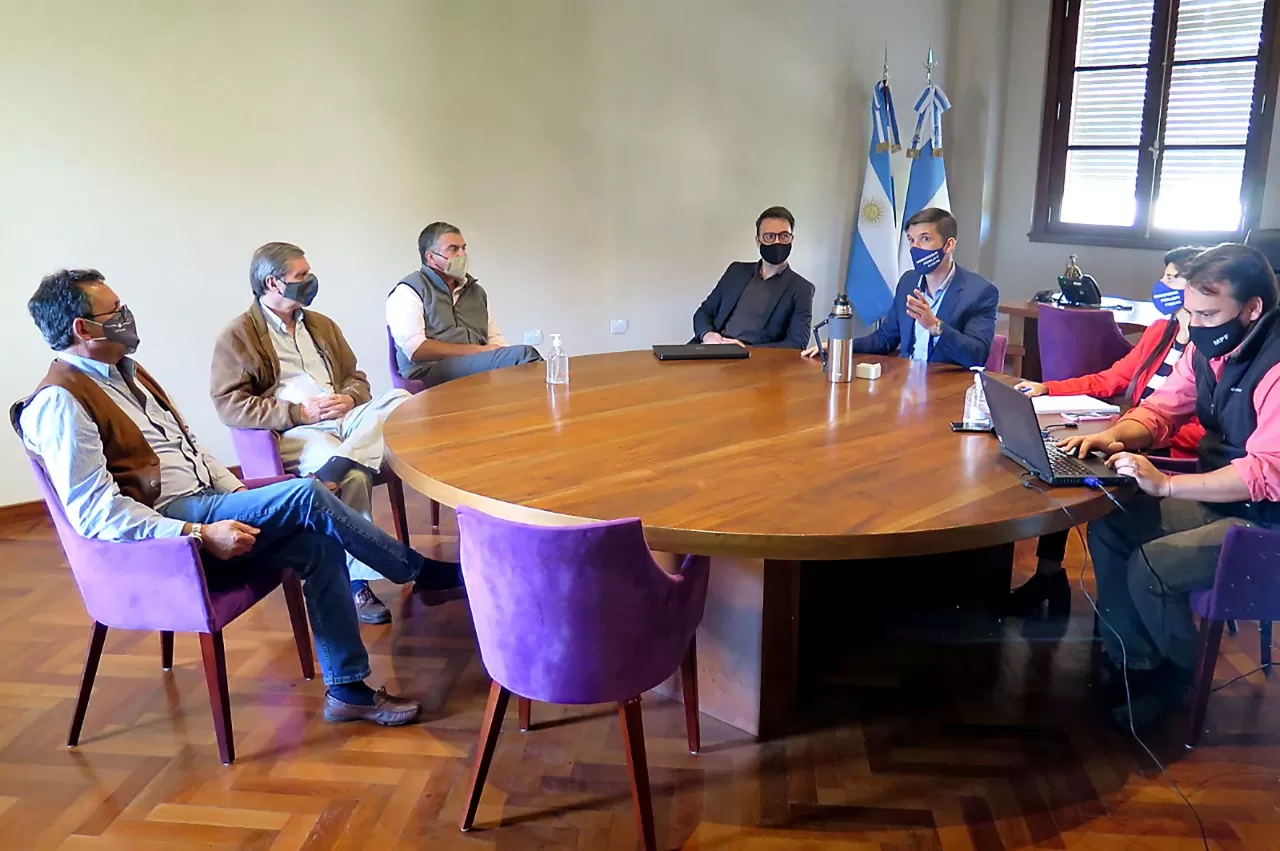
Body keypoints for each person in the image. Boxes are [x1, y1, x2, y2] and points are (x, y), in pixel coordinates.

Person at [16, 270, 466, 725]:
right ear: (83, 328)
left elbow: (192, 450)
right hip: (175, 528)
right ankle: (420, 573)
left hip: (209, 501)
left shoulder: (129, 375)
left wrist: (243, 498)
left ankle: (348, 689)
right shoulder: (60, 403)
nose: (126, 316)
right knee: (307, 494)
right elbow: (94, 513)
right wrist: (196, 532)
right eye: (114, 311)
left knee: (318, 544)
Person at [1059, 243, 1280, 728]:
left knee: (1152, 567)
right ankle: (1136, 661)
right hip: (1227, 499)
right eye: (1189, 312)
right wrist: (1113, 435)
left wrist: (1168, 487)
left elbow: (1265, 474)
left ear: (1253, 309)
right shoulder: (1208, 348)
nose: (1195, 325)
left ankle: (1176, 680)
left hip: (1267, 520)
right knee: (1109, 522)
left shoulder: (1276, 365)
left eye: (1207, 313)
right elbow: (1161, 410)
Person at [211, 242, 422, 625]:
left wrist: (350, 396)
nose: (310, 281)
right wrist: (296, 411)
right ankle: (358, 584)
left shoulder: (322, 324)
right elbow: (229, 403)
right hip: (299, 432)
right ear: (273, 283)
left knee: (400, 400)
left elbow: (356, 377)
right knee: (356, 475)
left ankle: (338, 465)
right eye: (301, 276)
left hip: (346, 420)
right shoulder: (238, 336)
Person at [1007, 247, 1206, 617]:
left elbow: (1202, 429)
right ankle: (1049, 574)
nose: (1161, 284)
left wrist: (1142, 436)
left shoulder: (1211, 346)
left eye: (1172, 277)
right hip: (1135, 432)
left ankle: (1112, 610)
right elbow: (1114, 376)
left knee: (1077, 468)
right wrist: (1050, 388)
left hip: (1167, 453)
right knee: (1063, 455)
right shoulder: (1162, 330)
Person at [803, 207, 998, 367]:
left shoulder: (979, 292)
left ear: (949, 245)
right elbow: (885, 339)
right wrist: (841, 346)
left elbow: (976, 355)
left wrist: (935, 326)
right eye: (912, 240)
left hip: (946, 390)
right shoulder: (908, 282)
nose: (916, 248)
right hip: (904, 385)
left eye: (925, 239)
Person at [386, 222, 542, 388]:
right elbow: (416, 350)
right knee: (524, 354)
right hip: (428, 370)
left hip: (474, 364)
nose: (462, 255)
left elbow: (495, 339)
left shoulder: (476, 291)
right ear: (431, 257)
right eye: (453, 249)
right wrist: (478, 350)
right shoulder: (409, 290)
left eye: (463, 248)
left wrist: (506, 358)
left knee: (521, 364)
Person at [692, 206, 815, 349]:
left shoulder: (802, 289)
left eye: (784, 236)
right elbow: (704, 312)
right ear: (758, 241)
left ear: (791, 239)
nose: (777, 242)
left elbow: (797, 343)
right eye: (769, 236)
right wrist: (708, 335)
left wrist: (745, 350)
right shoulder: (736, 271)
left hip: (753, 362)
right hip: (712, 348)